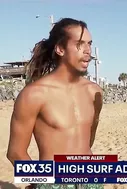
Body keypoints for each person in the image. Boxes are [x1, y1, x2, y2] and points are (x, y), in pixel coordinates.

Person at [6, 18, 103, 189]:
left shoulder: (94, 92)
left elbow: (88, 139)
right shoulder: (34, 94)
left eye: (90, 43)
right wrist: (40, 182)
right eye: (80, 44)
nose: (88, 50)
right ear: (60, 49)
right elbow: (15, 152)